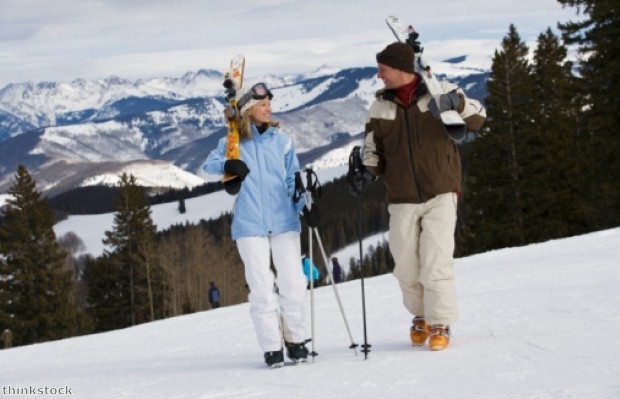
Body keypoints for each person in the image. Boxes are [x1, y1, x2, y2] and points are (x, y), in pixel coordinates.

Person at [349, 42, 485, 351]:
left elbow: (479, 118)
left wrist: (456, 103)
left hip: (440, 190)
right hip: (401, 197)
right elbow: (373, 150)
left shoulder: (438, 93)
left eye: (383, 70)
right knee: (405, 265)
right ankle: (421, 316)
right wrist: (366, 173)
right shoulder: (379, 107)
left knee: (435, 262)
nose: (379, 75)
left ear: (401, 68)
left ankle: (440, 323)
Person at [202, 81, 319, 368]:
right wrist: (229, 165)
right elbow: (209, 166)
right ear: (248, 110)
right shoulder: (233, 142)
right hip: (249, 224)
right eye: (262, 105)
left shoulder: (283, 141)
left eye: (269, 103)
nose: (268, 108)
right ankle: (271, 347)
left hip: (284, 220)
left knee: (293, 282)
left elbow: (293, 179)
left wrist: (305, 205)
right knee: (262, 286)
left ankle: (296, 340)